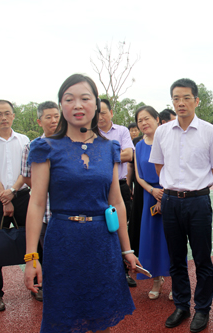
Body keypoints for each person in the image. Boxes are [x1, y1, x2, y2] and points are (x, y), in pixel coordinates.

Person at [24, 74, 138, 333]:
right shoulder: (46, 147)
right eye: (69, 99)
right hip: (63, 242)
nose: (77, 105)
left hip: (102, 243)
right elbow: (37, 203)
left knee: (103, 316)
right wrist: (31, 257)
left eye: (85, 98)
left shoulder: (109, 148)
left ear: (96, 104)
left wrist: (126, 250)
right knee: (64, 317)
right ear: (61, 106)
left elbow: (116, 202)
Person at [149, 78, 213, 332]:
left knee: (203, 258)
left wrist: (197, 187)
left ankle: (202, 309)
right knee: (176, 258)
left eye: (186, 98)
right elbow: (159, 166)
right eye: (176, 99)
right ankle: (181, 305)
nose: (181, 103)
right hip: (170, 202)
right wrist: (174, 187)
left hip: (198, 202)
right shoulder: (162, 132)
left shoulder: (210, 131)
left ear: (197, 100)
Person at [0, 99, 30, 311]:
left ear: (13, 116)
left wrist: (13, 192)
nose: (3, 117)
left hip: (22, 195)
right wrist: (4, 197)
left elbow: (25, 171)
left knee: (32, 242)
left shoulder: (24, 140)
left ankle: (37, 285)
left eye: (7, 113)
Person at [21, 101, 60, 302]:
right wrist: (44, 183)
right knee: (48, 257)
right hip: (46, 212)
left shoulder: (70, 142)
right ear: (39, 121)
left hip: (69, 213)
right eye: (48, 117)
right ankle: (47, 288)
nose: (54, 120)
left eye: (56, 116)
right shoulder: (33, 146)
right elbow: (28, 178)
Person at [98, 98, 137, 287]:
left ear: (111, 113)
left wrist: (101, 156)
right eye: (97, 113)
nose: (100, 116)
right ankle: (105, 273)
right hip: (97, 189)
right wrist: (115, 156)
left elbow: (129, 155)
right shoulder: (89, 134)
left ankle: (124, 272)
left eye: (104, 112)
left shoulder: (121, 131)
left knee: (121, 228)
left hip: (119, 187)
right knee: (101, 231)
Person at [134, 105, 171, 299]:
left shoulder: (167, 140)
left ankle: (176, 281)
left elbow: (171, 169)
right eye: (140, 120)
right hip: (150, 195)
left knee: (172, 241)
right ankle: (157, 280)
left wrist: (162, 194)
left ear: (157, 119)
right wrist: (152, 191)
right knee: (152, 240)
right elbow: (139, 176)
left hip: (169, 193)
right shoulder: (138, 145)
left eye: (147, 118)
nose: (144, 123)